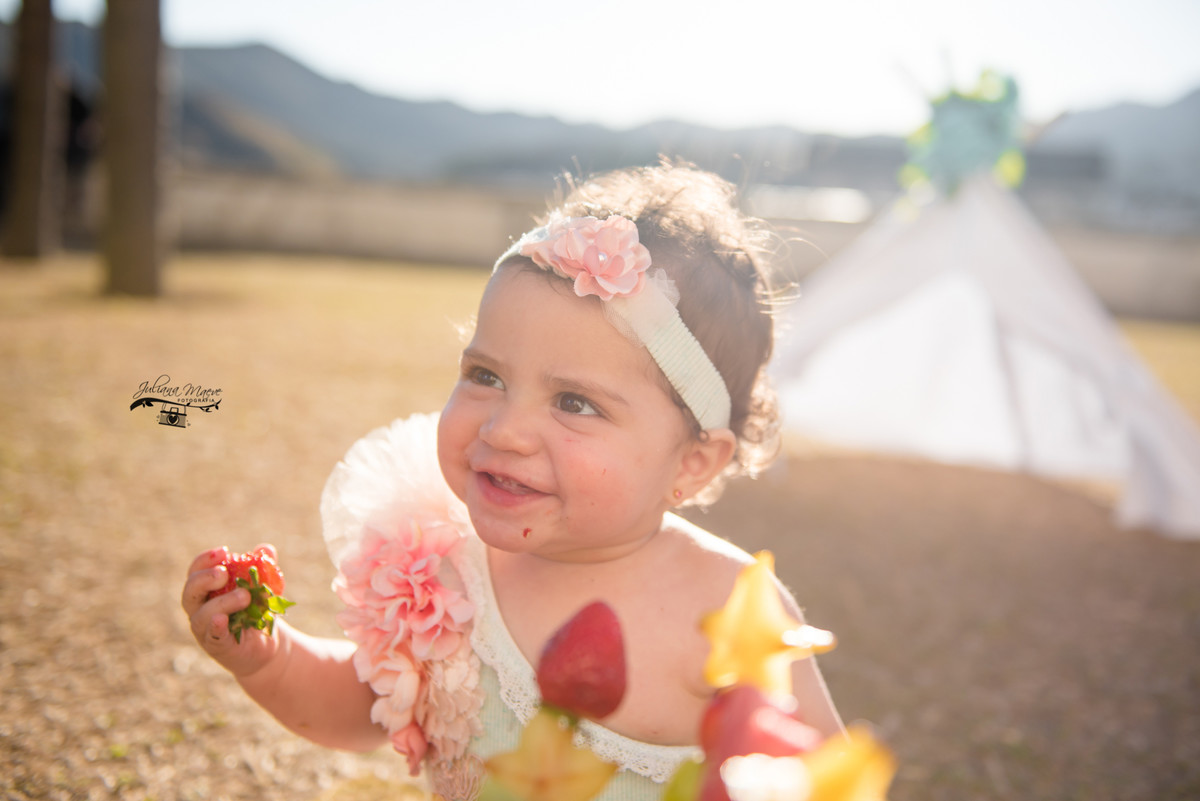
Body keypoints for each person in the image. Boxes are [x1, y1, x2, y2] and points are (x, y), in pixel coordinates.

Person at [181, 162, 843, 800]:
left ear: (692, 462)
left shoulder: (730, 610)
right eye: (487, 376)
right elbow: (365, 705)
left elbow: (820, 778)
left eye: (575, 403)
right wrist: (272, 659)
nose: (504, 429)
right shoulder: (444, 569)